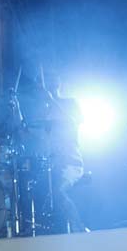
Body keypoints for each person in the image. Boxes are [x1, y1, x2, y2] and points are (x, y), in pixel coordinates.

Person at [41, 75, 89, 234]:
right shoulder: (46, 110)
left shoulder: (70, 103)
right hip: (54, 165)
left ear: (58, 84)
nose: (50, 87)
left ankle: (79, 228)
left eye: (52, 83)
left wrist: (53, 101)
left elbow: (74, 121)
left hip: (71, 162)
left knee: (58, 191)